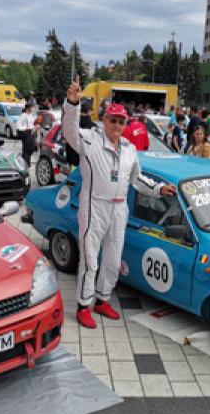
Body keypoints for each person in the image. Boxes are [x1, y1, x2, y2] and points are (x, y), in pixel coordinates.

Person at [62, 77, 175, 329]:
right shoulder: (90, 139)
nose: (116, 125)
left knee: (113, 260)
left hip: (119, 208)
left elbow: (137, 179)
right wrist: (73, 104)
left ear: (126, 124)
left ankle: (102, 300)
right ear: (104, 120)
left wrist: (159, 189)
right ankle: (83, 305)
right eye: (112, 120)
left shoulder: (129, 149)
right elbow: (69, 130)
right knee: (90, 260)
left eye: (121, 121)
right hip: (94, 206)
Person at [17, 103, 38, 168]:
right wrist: (26, 128)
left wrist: (35, 127)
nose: (33, 109)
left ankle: (25, 161)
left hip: (30, 133)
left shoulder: (31, 116)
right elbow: (18, 125)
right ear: (28, 108)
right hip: (24, 133)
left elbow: (31, 124)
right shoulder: (23, 115)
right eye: (32, 107)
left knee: (31, 148)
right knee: (27, 149)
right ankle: (26, 163)